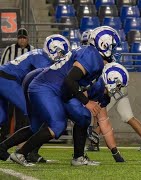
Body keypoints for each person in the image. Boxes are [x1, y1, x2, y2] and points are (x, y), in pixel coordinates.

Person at [6, 26, 120, 167]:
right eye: (113, 45)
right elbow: (69, 80)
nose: (114, 49)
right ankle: (21, 153)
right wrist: (86, 102)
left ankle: (78, 157)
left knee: (83, 116)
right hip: (46, 87)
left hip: (60, 90)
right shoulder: (92, 55)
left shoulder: (90, 54)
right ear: (104, 44)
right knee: (58, 125)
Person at [80, 30, 141, 152]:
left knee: (99, 111)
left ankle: (94, 140)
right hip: (118, 87)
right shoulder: (103, 53)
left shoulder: (99, 55)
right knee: (127, 116)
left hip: (111, 87)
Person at [0, 34, 70, 162]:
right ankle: (27, 151)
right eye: (61, 53)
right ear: (53, 49)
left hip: (5, 78)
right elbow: (47, 83)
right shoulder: (42, 59)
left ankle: (4, 149)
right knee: (37, 116)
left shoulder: (38, 54)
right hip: (8, 81)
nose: (62, 57)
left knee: (2, 117)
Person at [0, 28, 35, 142]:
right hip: (9, 84)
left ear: (27, 39)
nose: (22, 40)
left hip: (24, 86)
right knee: (7, 112)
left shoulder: (32, 50)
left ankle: (20, 137)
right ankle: (3, 136)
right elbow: (2, 66)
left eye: (24, 38)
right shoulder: (10, 49)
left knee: (22, 114)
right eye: (20, 38)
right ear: (17, 39)